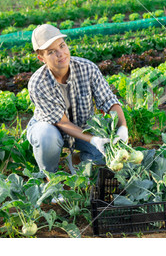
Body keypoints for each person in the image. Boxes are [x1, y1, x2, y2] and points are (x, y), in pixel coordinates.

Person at [26, 24, 128, 173]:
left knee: (109, 154)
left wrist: (122, 127)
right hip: (51, 128)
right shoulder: (38, 83)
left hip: (82, 127)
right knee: (46, 136)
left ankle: (75, 160)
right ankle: (52, 178)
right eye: (51, 52)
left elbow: (108, 101)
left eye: (62, 46)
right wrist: (93, 140)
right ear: (41, 58)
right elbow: (62, 123)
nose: (61, 54)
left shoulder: (88, 68)